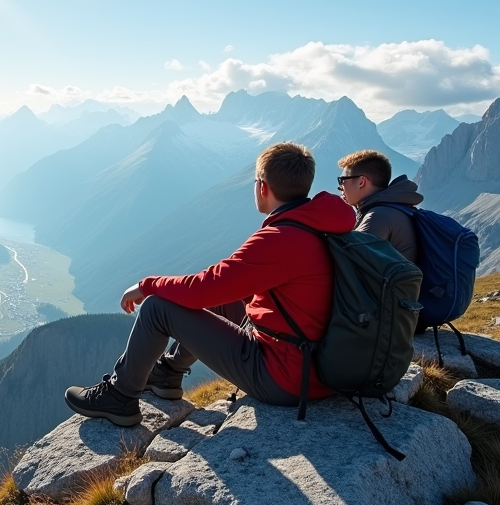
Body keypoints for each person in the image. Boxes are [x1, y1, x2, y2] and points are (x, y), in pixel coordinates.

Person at [64, 142, 356, 427]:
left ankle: (119, 396)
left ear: (263, 187)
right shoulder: (320, 226)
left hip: (283, 378)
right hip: (316, 365)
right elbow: (224, 286)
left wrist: (147, 285)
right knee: (228, 297)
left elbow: (202, 288)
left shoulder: (279, 240)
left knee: (157, 308)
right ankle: (168, 374)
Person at [336, 150, 423, 263]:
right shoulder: (392, 208)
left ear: (361, 182)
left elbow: (350, 260)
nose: (340, 187)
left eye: (342, 180)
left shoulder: (377, 216)